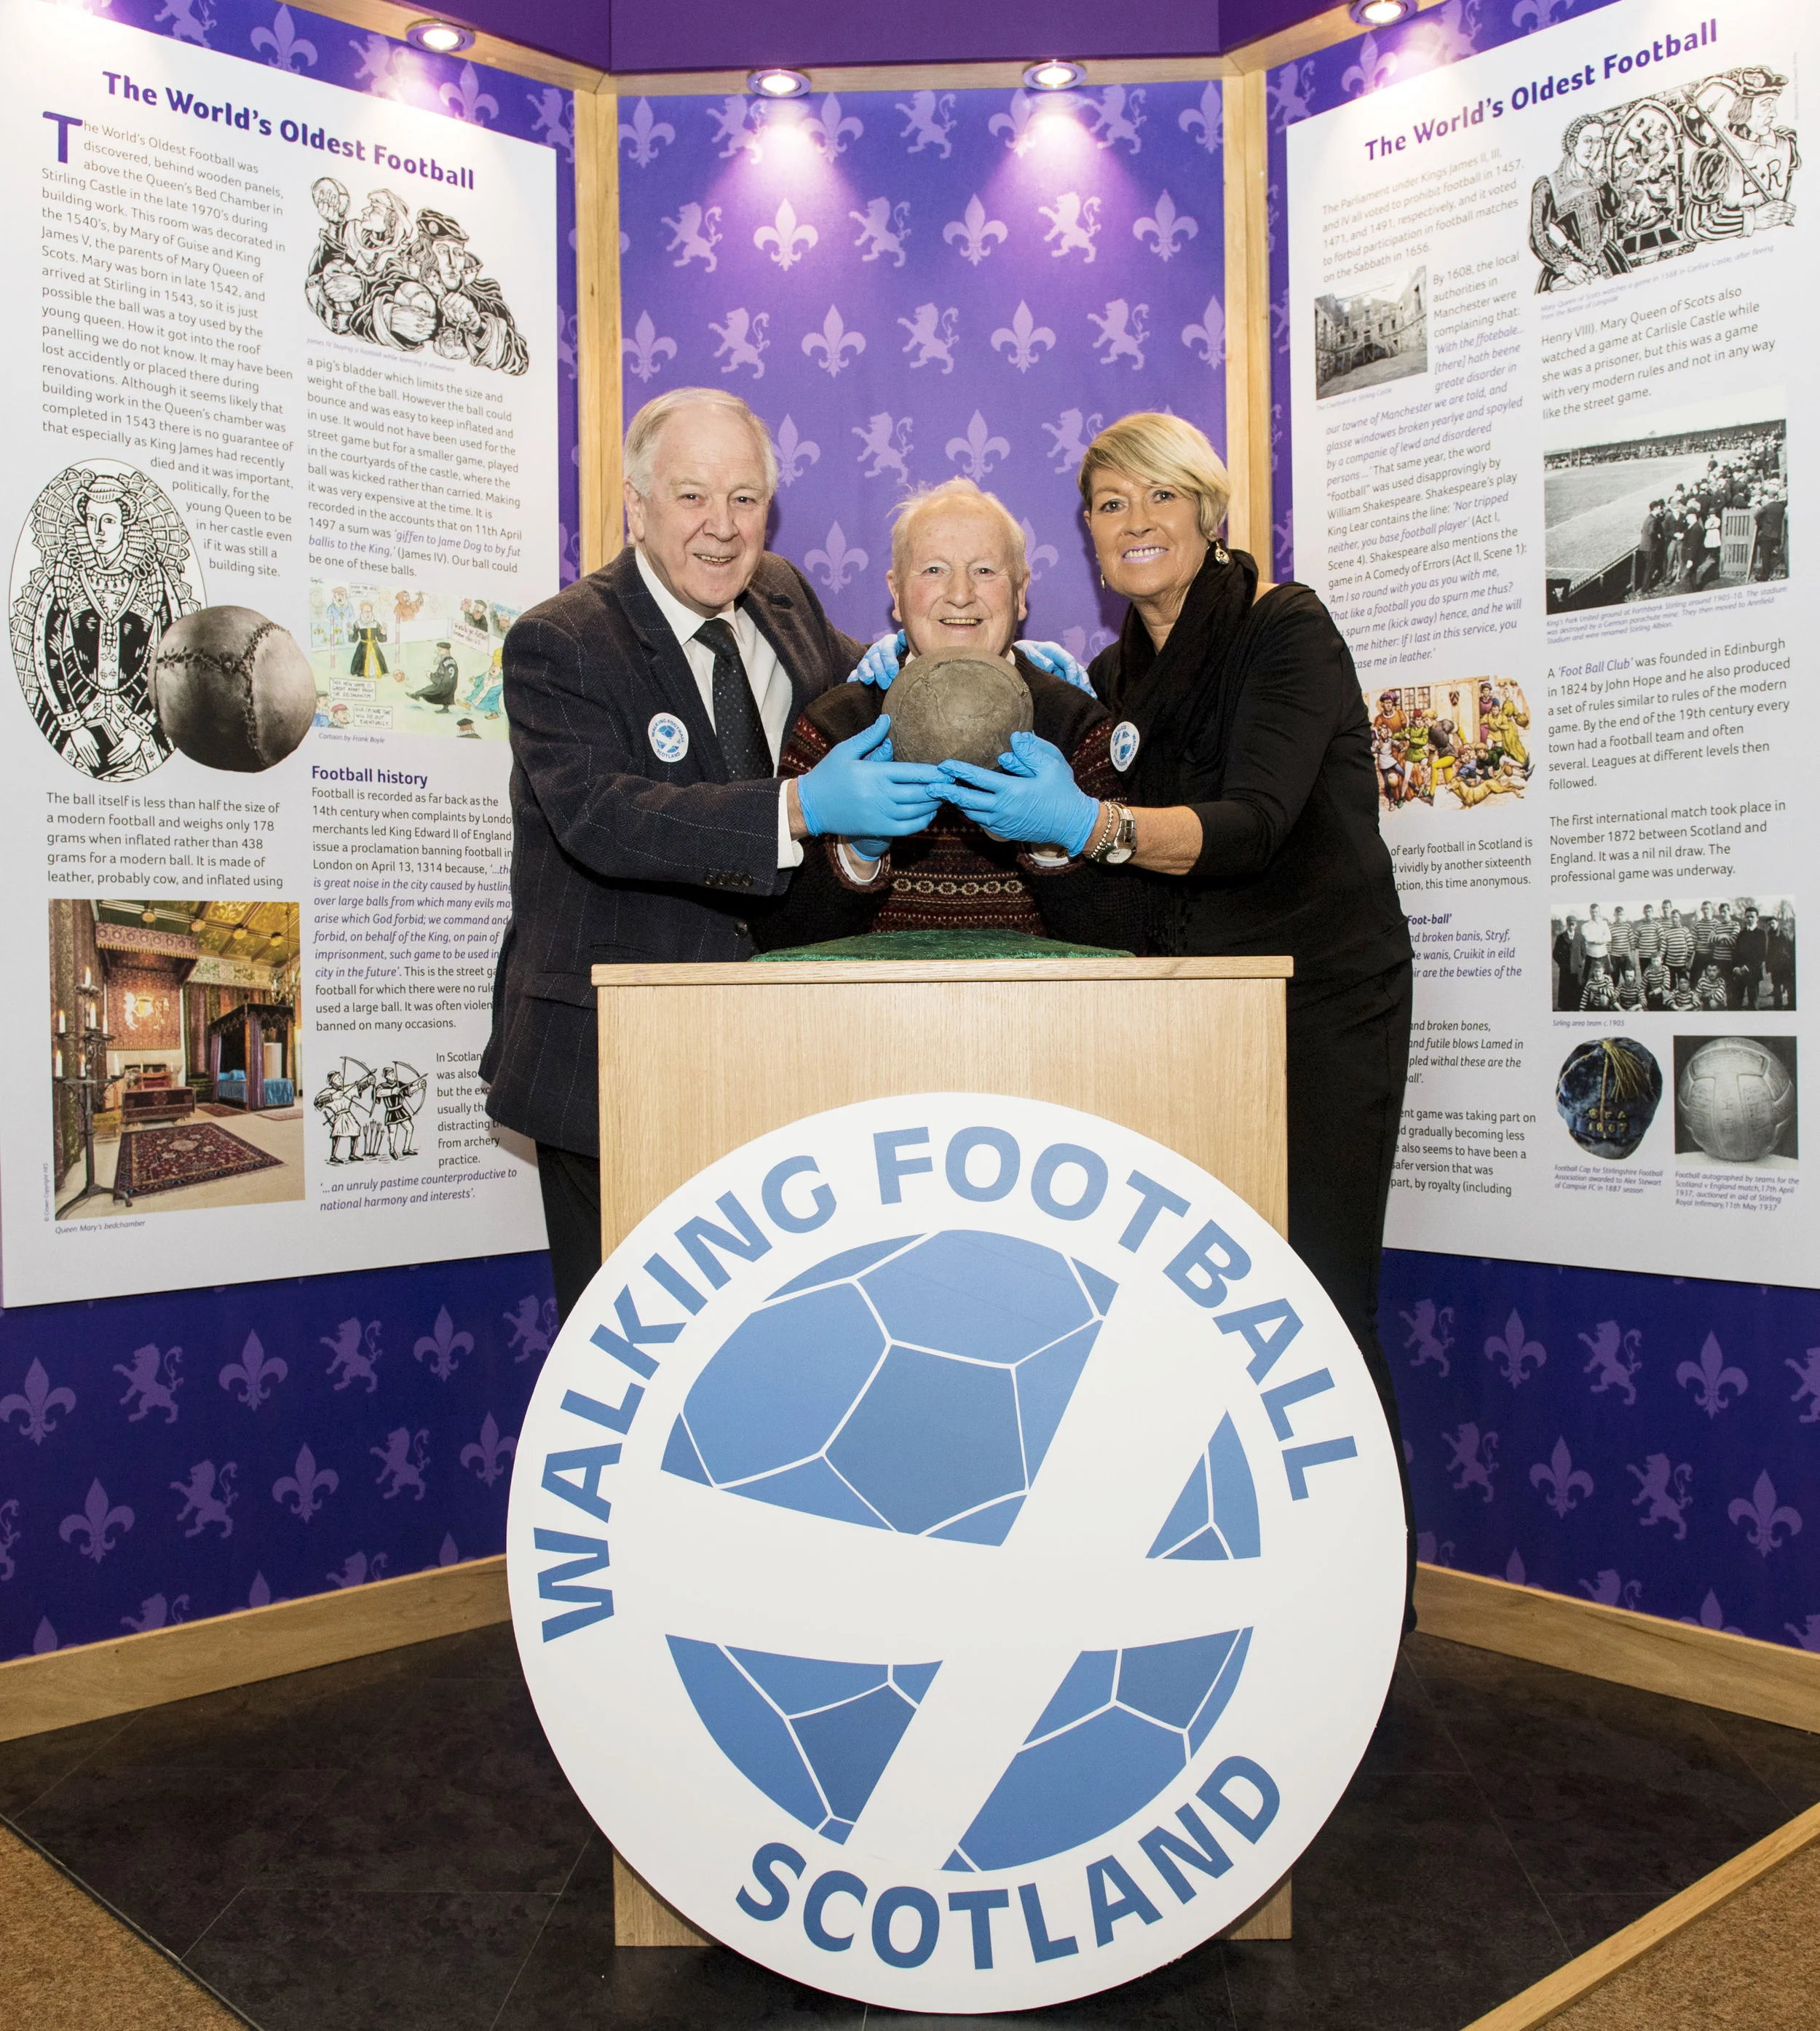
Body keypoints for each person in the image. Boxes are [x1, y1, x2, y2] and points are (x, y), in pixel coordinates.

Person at [934, 411, 1419, 1628]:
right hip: (1184, 1026)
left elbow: (1252, 822)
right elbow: (1102, 892)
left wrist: (1094, 827)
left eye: (1163, 497)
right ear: (1088, 539)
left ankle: (1362, 1612)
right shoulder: (1108, 691)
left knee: (1315, 1299)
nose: (1138, 522)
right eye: (1110, 504)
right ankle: (1234, 1594)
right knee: (1192, 1313)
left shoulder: (1281, 631)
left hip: (1316, 1009)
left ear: (1211, 514)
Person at [480, 387, 948, 1318]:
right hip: (611, 1067)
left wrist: (967, 661)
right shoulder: (561, 640)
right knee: (627, 1351)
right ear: (637, 504)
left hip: (769, 1057)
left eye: (745, 500)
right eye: (692, 496)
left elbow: (866, 671)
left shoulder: (778, 592)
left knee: (755, 1346)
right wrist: (799, 808)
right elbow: (605, 819)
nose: (721, 529)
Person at [756, 480, 1140, 953]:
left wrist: (1056, 845)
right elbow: (777, 941)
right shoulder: (836, 729)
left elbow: (1129, 939)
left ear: (1021, 593)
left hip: (1039, 1019)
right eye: (934, 570)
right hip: (870, 1019)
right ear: (896, 593)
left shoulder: (1078, 726)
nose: (960, 594)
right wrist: (855, 852)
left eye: (984, 570)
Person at [1732, 905, 1769, 1010]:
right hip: (1739, 973)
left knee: (1753, 1005)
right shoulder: (1742, 933)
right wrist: (1736, 968)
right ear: (1744, 918)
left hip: (1753, 972)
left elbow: (1761, 955)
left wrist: (1747, 967)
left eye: (1752, 917)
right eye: (1747, 917)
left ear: (1757, 918)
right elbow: (1736, 952)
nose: (1749, 919)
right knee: (1737, 1003)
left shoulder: (1761, 934)